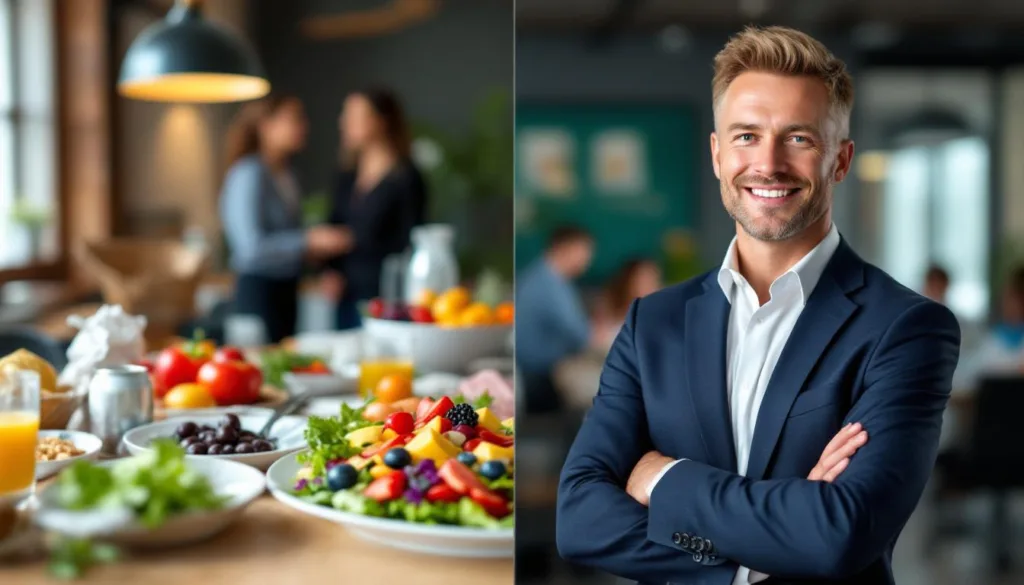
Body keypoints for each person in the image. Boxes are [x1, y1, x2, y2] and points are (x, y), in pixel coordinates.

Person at [556, 26, 961, 585]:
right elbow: (579, 518)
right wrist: (760, 550)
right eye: (746, 136)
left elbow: (838, 534)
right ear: (718, 154)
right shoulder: (655, 321)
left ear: (840, 161)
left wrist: (665, 479)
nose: (767, 163)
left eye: (799, 138)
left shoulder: (906, 328)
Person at [220, 94, 353, 343]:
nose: (303, 127)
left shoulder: (288, 175)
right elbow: (251, 247)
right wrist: (308, 241)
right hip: (259, 290)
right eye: (294, 119)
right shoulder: (249, 173)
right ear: (266, 126)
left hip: (287, 289)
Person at [321, 88, 428, 330]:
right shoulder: (347, 175)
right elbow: (334, 220)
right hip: (346, 292)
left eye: (354, 117)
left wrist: (352, 239)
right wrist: (331, 271)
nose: (343, 123)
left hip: (386, 295)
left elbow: (410, 240)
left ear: (381, 121)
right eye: (344, 116)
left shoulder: (406, 178)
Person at [515, 225, 597, 413]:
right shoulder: (549, 284)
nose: (588, 259)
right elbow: (581, 335)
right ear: (563, 248)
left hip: (536, 372)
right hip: (538, 376)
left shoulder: (540, 275)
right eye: (584, 251)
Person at [592, 258, 663, 351]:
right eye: (641, 280)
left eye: (651, 280)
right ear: (628, 281)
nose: (647, 286)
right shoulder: (606, 308)